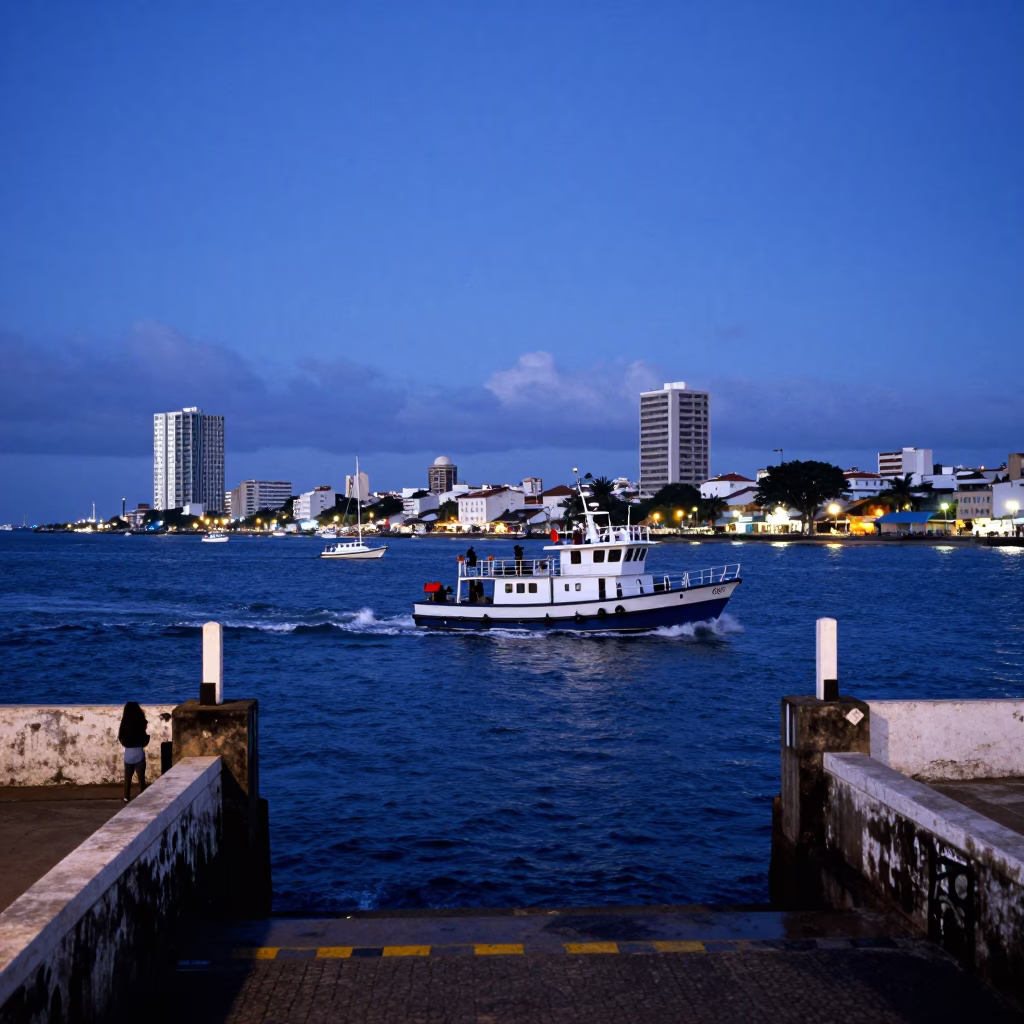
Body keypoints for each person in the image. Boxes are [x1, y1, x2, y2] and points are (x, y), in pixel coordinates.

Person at [118, 701, 150, 802]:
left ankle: (126, 797)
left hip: (128, 754)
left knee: (127, 778)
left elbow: (121, 738)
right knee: (141, 778)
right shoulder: (141, 722)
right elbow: (144, 739)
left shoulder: (124, 724)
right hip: (139, 753)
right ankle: (143, 796)